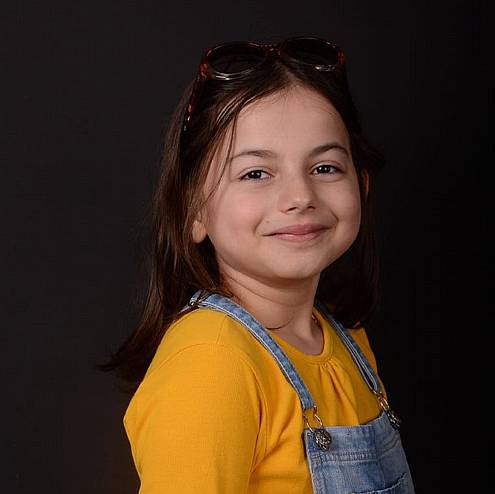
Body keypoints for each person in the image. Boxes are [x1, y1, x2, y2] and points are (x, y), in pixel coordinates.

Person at [102, 36, 416, 493]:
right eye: (255, 173)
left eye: (325, 167)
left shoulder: (348, 342)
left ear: (361, 186)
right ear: (193, 211)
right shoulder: (212, 364)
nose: (300, 196)